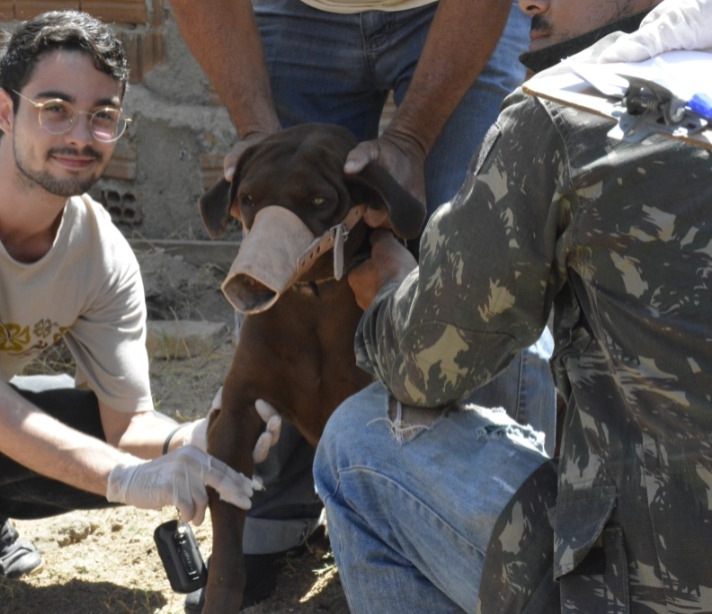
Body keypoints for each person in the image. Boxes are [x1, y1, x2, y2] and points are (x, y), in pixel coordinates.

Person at [313, 0, 712, 610]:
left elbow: (425, 362)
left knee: (356, 447)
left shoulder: (569, 110)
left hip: (652, 590)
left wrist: (391, 293)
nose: (527, 2)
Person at [168, 1, 557, 606]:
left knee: (480, 270)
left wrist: (410, 141)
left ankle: (498, 543)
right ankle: (271, 520)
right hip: (298, 11)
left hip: (454, 14)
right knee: (286, 210)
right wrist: (253, 131)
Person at [0, 11, 281, 610]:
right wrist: (121, 477)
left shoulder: (101, 255)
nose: (80, 136)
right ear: (4, 112)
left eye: (102, 116)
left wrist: (199, 438)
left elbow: (127, 425)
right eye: (55, 108)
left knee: (83, 426)